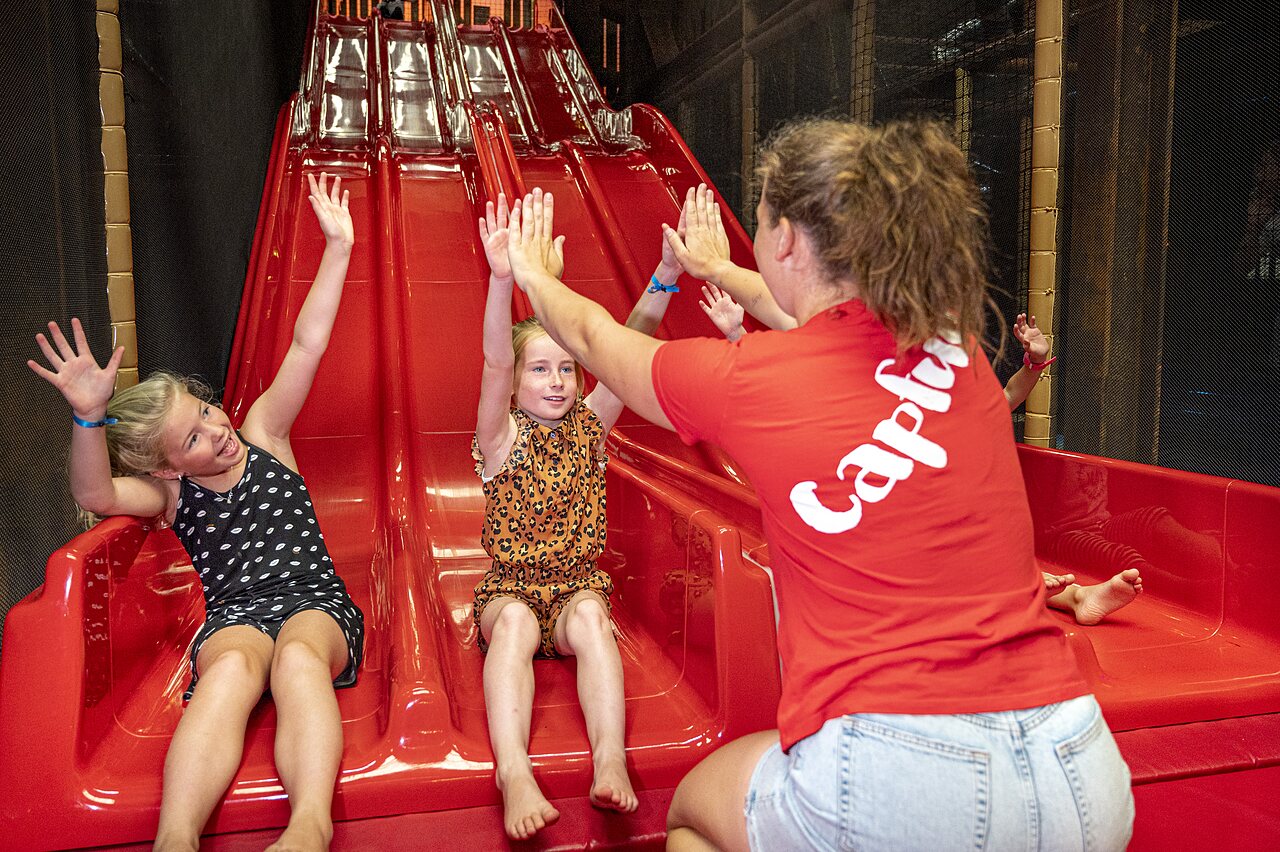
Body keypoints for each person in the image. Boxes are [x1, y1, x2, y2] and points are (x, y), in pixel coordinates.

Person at [503, 120, 1134, 850]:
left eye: (762, 216)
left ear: (786, 241)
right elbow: (802, 314)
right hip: (1079, 769)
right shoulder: (950, 344)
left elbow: (590, 340)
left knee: (694, 812)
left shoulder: (748, 381)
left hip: (902, 783)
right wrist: (713, 267)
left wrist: (534, 275)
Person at [28, 174, 363, 852]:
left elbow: (307, 344)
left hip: (314, 602)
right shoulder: (172, 499)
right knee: (230, 671)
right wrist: (88, 419)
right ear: (165, 467)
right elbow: (96, 496)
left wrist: (337, 249)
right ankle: (174, 838)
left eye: (207, 411)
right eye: (193, 437)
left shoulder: (265, 431)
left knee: (299, 660)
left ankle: (309, 826)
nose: (216, 429)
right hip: (236, 616)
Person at [471, 190, 681, 840]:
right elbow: (494, 358)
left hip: (573, 585)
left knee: (592, 618)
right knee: (511, 632)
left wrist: (666, 278)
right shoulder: (498, 438)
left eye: (566, 368)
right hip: (509, 588)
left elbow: (627, 344)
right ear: (516, 384)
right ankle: (514, 772)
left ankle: (610, 754)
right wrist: (503, 281)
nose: (558, 381)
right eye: (541, 370)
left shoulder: (590, 425)